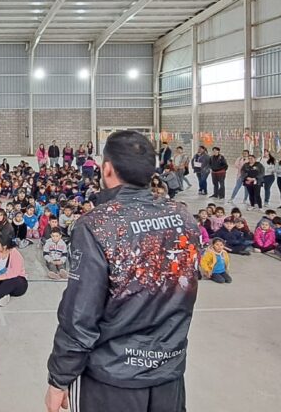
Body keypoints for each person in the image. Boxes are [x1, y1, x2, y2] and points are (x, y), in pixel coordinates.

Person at [45, 131, 197, 412]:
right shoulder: (184, 217)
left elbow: (80, 314)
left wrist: (59, 377)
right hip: (169, 373)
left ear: (107, 168)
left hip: (112, 378)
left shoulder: (97, 225)